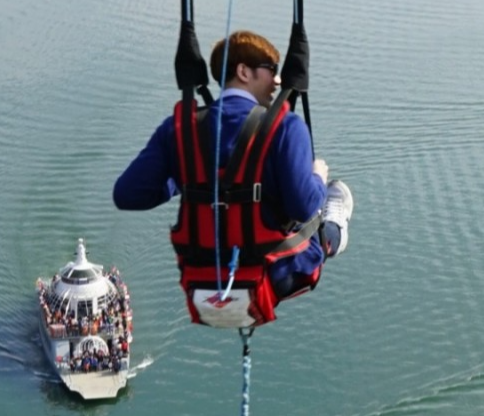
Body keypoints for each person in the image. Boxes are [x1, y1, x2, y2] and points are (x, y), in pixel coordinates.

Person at [114, 30, 353, 328]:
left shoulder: (179, 131)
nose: (278, 82)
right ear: (243, 71)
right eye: (272, 71)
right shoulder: (287, 127)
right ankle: (336, 229)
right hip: (275, 275)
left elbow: (127, 194)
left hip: (202, 279)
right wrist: (317, 175)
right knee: (323, 203)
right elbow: (303, 207)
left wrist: (186, 174)